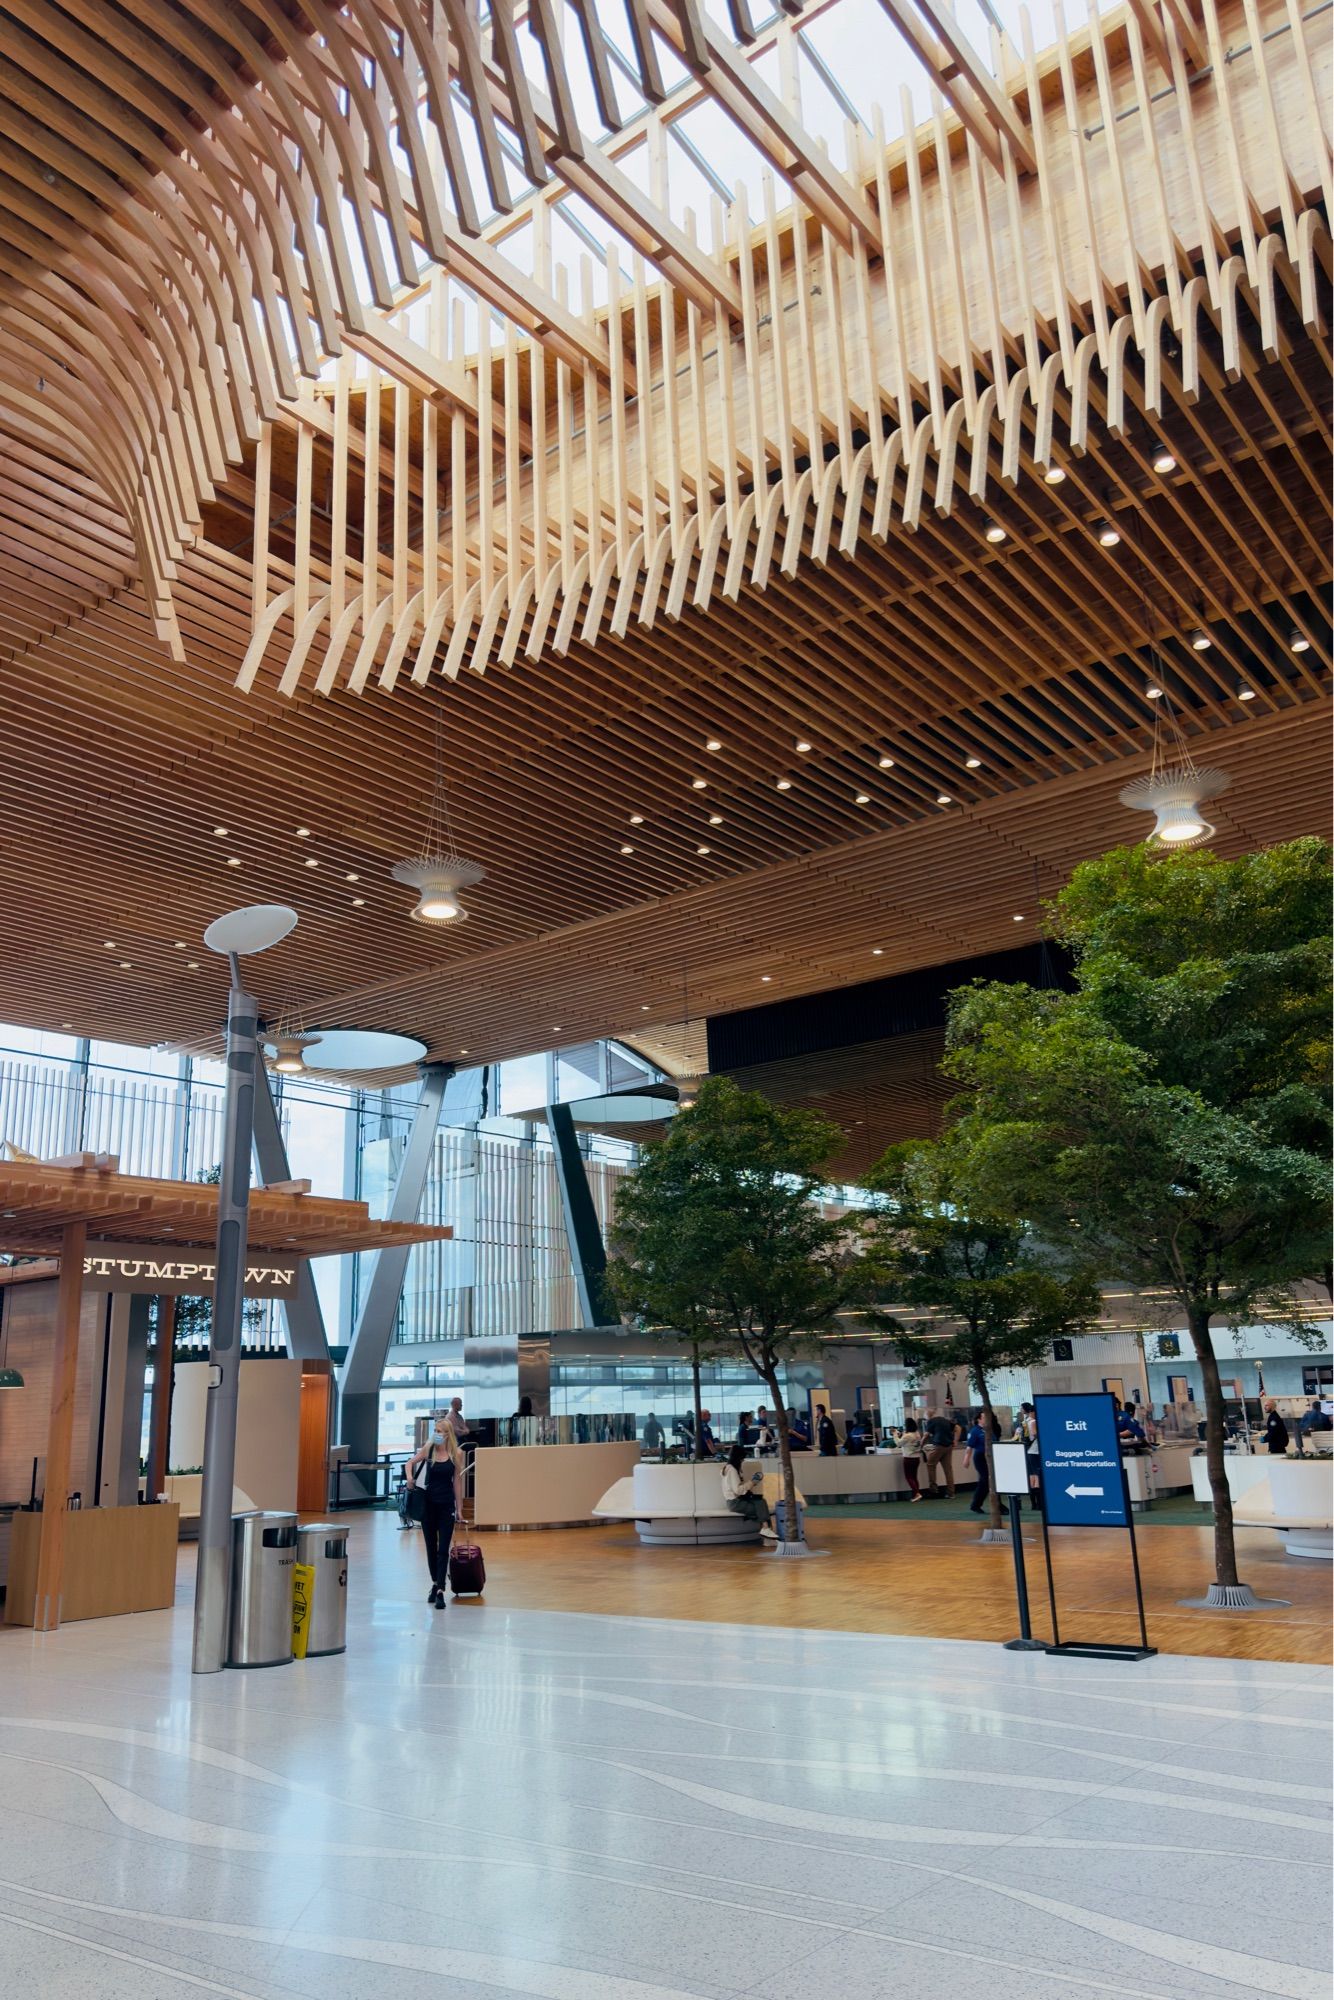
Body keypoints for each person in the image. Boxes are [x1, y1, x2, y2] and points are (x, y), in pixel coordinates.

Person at [406, 1414, 464, 1608]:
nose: (436, 1434)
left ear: (448, 1435)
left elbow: (457, 1481)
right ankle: (434, 1583)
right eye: (435, 1431)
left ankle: (440, 1588)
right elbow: (410, 1463)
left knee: (443, 1549)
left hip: (446, 1505)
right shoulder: (428, 1450)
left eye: (440, 1432)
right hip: (428, 1505)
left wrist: (459, 1509)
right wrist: (409, 1478)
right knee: (431, 1548)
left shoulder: (457, 1453)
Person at [721, 1441, 777, 1540]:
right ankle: (766, 1530)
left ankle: (766, 1529)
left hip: (736, 1501)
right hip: (735, 1503)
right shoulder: (732, 1471)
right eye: (742, 1459)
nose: (743, 1461)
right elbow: (738, 1490)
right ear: (738, 1458)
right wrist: (752, 1482)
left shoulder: (728, 1469)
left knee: (761, 1503)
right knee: (762, 1509)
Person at [921, 1407, 959, 1497]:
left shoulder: (931, 1421)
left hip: (939, 1446)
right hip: (948, 1446)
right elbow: (958, 1428)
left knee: (930, 1464)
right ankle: (951, 1493)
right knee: (948, 1470)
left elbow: (926, 1435)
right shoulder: (945, 1420)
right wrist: (955, 1440)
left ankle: (933, 1490)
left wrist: (921, 1444)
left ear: (928, 1416)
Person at [965, 1411, 990, 1514]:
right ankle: (976, 1504)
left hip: (989, 1457)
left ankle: (976, 1504)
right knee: (985, 1480)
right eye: (984, 1417)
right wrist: (966, 1459)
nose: (986, 1419)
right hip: (980, 1458)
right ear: (979, 1419)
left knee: (986, 1482)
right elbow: (969, 1447)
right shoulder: (975, 1431)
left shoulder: (987, 1430)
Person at [898, 1416, 923, 1501]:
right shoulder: (917, 1434)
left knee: (909, 1477)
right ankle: (916, 1494)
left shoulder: (907, 1436)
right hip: (916, 1458)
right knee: (914, 1477)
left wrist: (894, 1435)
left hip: (908, 1458)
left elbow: (898, 1444)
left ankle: (917, 1494)